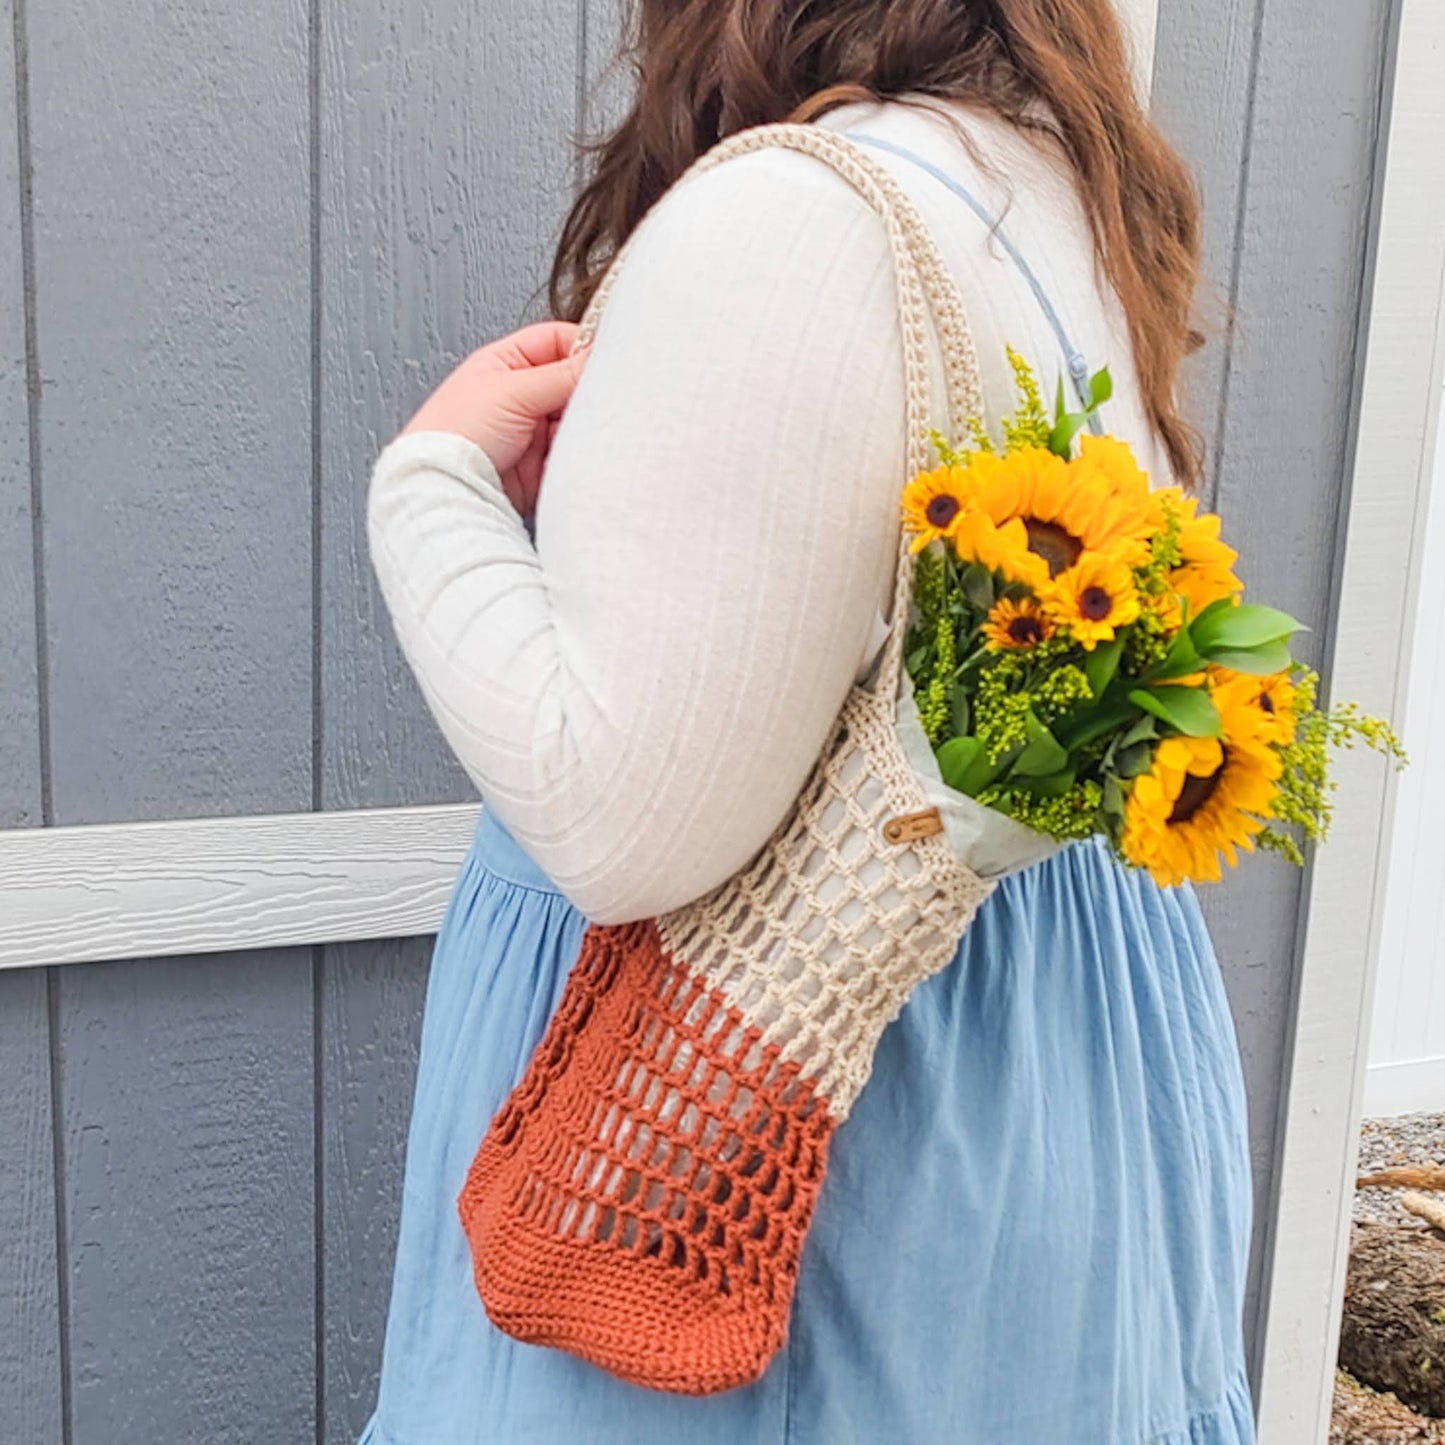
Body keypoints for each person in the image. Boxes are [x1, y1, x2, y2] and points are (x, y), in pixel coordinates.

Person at [357, 2, 1257, 1441]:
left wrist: (430, 482)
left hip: (803, 1159)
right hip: (1040, 1098)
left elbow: (616, 820)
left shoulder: (793, 223)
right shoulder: (1056, 183)